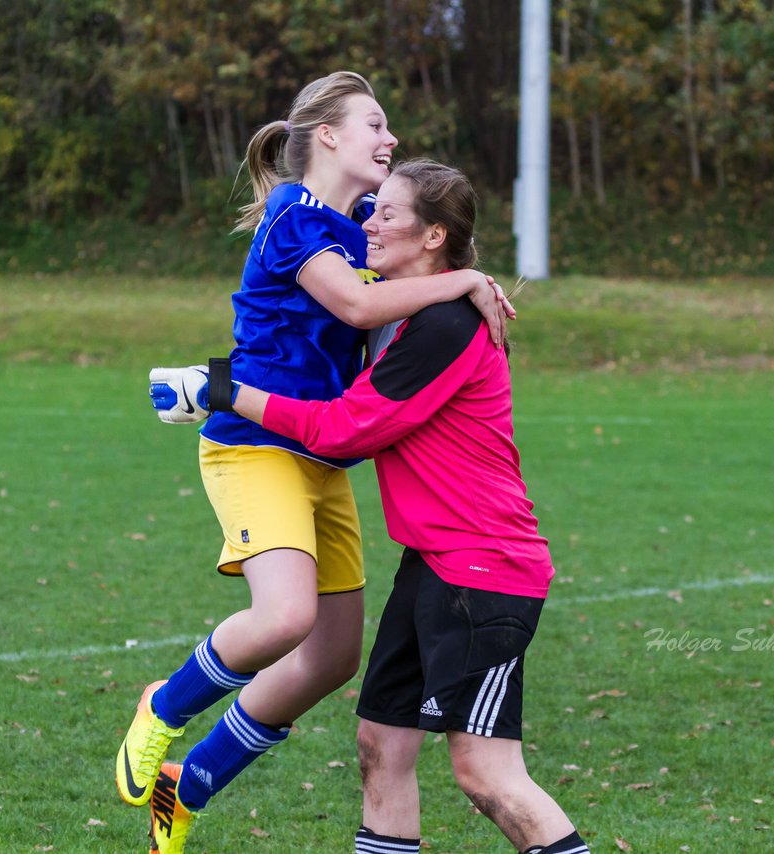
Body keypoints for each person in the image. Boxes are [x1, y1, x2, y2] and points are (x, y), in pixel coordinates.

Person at [116, 72, 513, 854]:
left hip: (320, 456)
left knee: (331, 655)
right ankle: (164, 705)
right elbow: (361, 306)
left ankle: (187, 785)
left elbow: (414, 244)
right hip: (254, 445)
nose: (389, 138)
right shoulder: (294, 216)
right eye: (375, 123)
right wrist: (465, 279)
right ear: (325, 135)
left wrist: (451, 266)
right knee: (286, 616)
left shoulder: (362, 217)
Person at [156, 159, 590, 854]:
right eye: (370, 208)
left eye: (387, 214)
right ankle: (193, 779)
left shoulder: (445, 326)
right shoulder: (412, 305)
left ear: (433, 236)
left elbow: (343, 429)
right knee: (381, 746)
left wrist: (223, 391)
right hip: (434, 567)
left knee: (485, 773)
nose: (369, 223)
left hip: (486, 570)